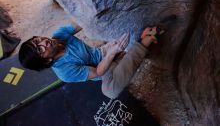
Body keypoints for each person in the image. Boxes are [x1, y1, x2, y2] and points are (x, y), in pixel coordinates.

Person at [18, 23, 159, 99]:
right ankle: (143, 43)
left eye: (37, 40)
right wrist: (112, 53)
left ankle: (140, 42)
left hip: (103, 51)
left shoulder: (59, 35)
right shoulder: (65, 72)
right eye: (40, 49)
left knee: (120, 34)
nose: (44, 42)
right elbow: (97, 72)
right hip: (104, 69)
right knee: (110, 91)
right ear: (47, 61)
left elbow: (83, 21)